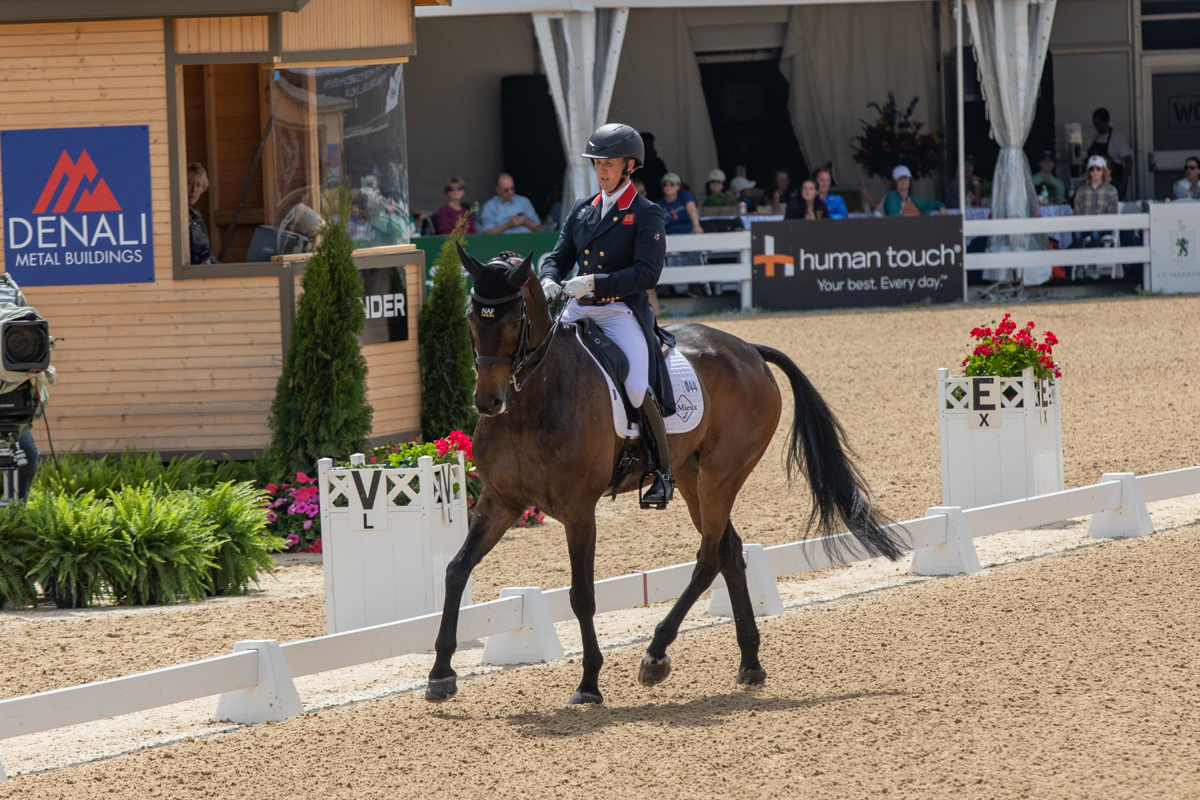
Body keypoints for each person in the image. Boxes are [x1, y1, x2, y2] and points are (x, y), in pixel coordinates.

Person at [539, 123, 675, 509]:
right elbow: (557, 257)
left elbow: (648, 274)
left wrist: (597, 284)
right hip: (577, 306)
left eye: (610, 163)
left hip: (619, 310)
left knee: (634, 386)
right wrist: (550, 279)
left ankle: (663, 473)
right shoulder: (582, 210)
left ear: (629, 166)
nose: (602, 170)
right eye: (598, 162)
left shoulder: (646, 213)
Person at [1073, 155, 1119, 249]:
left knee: (1095, 234)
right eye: (1092, 169)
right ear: (1088, 171)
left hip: (1104, 226)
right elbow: (1077, 213)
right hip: (1085, 226)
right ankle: (1079, 263)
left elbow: (1112, 213)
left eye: (1098, 169)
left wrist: (1098, 222)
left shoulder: (1111, 190)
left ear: (1103, 171)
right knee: (1076, 234)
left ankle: (1093, 263)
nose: (1095, 172)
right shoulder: (1081, 191)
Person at [1088, 107, 1132, 199]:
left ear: (1106, 121)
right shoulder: (1095, 137)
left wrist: (1123, 183)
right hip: (1096, 181)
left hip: (1113, 179)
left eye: (1099, 124)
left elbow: (1128, 162)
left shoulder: (1117, 137)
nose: (1097, 127)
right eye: (1094, 124)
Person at [187, 163, 217, 264]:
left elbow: (207, 253)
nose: (194, 190)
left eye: (198, 185)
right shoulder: (174, 217)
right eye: (190, 183)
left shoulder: (196, 217)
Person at [635, 132, 669, 202]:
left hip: (657, 199)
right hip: (638, 199)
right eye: (645, 145)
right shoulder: (634, 164)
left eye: (649, 145)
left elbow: (665, 179)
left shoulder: (658, 162)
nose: (647, 148)